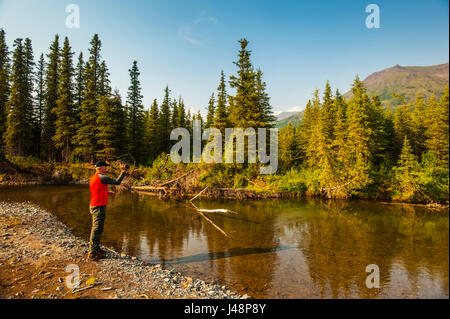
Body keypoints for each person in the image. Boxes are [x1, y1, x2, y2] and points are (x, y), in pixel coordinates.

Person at [88, 161, 127, 260]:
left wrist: (106, 192)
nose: (106, 169)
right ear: (100, 168)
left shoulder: (93, 178)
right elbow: (117, 182)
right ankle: (92, 253)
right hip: (98, 207)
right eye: (105, 167)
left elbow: (96, 190)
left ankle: (96, 249)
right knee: (96, 229)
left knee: (98, 229)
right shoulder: (102, 177)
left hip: (95, 205)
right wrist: (123, 171)